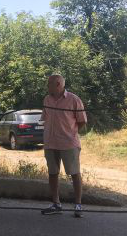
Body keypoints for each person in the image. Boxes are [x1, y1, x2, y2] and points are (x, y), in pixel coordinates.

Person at [40, 74, 87, 218]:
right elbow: (45, 119)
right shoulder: (47, 99)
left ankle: (78, 205)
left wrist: (70, 134)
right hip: (50, 143)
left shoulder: (74, 99)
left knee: (74, 173)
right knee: (52, 173)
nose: (47, 87)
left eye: (49, 84)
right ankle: (56, 204)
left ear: (58, 84)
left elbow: (82, 121)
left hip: (69, 144)